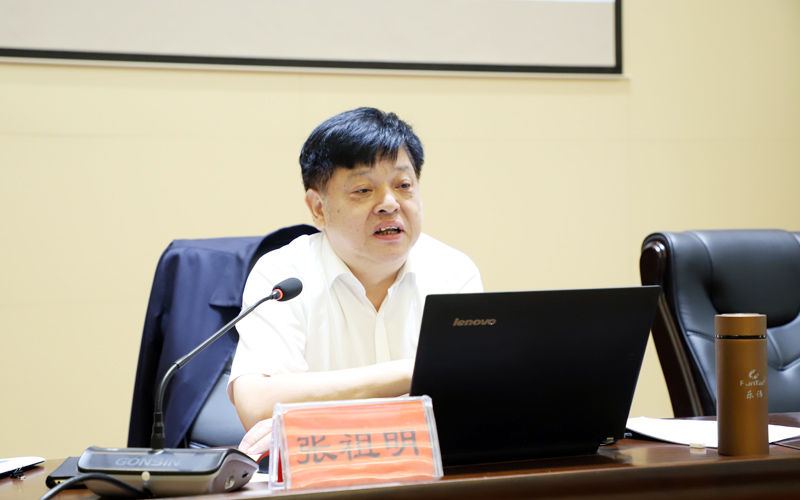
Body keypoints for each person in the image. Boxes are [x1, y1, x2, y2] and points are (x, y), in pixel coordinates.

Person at [228, 107, 482, 454]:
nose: (389, 203)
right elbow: (258, 406)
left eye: (403, 185)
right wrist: (413, 371)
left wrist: (316, 414)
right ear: (318, 208)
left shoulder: (452, 271)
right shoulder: (284, 276)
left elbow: (472, 396)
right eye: (363, 190)